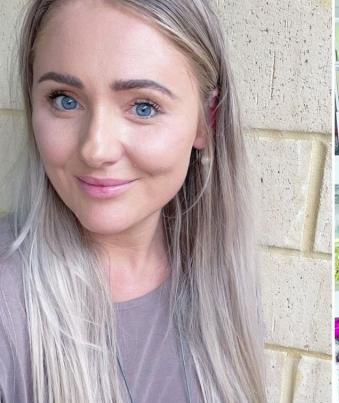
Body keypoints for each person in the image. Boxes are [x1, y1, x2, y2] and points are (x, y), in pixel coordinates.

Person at [0, 0, 266, 402]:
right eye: (64, 99)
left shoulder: (221, 281)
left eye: (143, 106)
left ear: (205, 120)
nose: (96, 149)